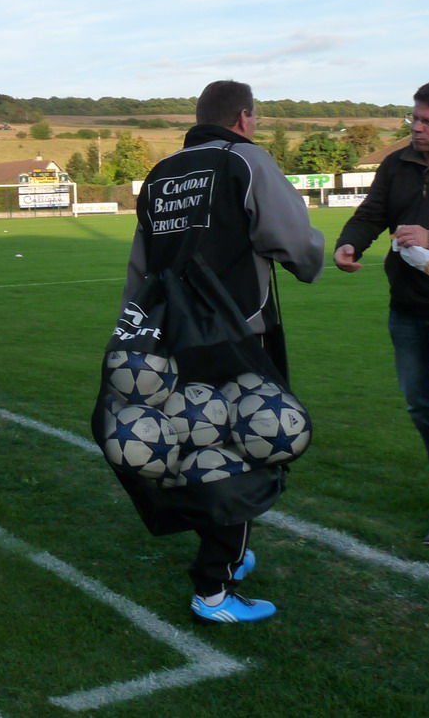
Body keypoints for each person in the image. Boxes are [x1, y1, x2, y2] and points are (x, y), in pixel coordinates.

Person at [117, 80, 324, 623]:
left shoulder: (162, 172)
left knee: (197, 443)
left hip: (168, 340)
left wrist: (136, 337)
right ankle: (215, 587)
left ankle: (228, 553)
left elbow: (141, 266)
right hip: (235, 339)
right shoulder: (245, 160)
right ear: (244, 117)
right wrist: (311, 264)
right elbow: (296, 243)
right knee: (247, 452)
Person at [335, 78, 429, 551]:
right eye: (413, 118)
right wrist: (350, 241)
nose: (415, 128)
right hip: (407, 307)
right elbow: (373, 213)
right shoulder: (397, 164)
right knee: (423, 410)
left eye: (426, 121)